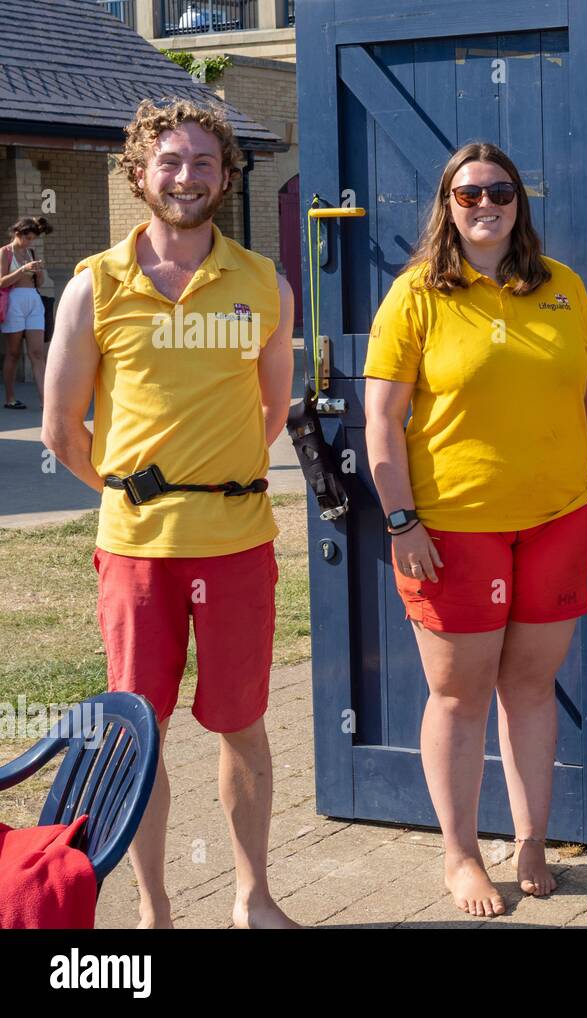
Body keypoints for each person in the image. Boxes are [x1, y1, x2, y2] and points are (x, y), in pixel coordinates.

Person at [41, 99, 298, 928]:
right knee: (135, 738)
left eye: (202, 163)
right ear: (139, 172)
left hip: (237, 547)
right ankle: (155, 910)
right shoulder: (95, 284)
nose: (186, 177)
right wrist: (133, 498)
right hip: (137, 552)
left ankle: (253, 897)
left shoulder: (265, 284)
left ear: (225, 176)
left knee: (245, 727)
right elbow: (61, 428)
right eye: (170, 161)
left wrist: (213, 485)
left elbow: (269, 413)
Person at [364, 141, 587, 918]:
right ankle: (460, 855)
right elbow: (380, 420)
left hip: (557, 518)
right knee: (459, 694)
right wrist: (402, 519)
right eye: (469, 193)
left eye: (501, 193)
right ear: (446, 205)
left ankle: (533, 838)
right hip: (452, 527)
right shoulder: (416, 295)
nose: (486, 206)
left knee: (531, 685)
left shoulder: (562, 288)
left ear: (521, 203)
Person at [2, 215, 52, 409]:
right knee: (13, 353)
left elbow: (40, 283)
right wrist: (22, 269)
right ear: (17, 233)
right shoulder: (5, 253)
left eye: (32, 239)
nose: (30, 242)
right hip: (14, 301)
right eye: (27, 238)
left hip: (33, 300)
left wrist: (39, 272)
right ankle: (10, 397)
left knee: (37, 353)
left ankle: (45, 401)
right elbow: (2, 282)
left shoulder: (31, 252)